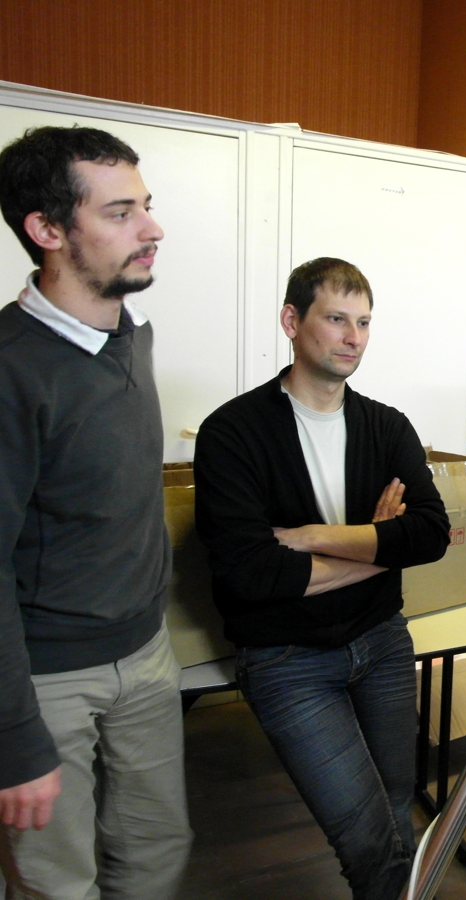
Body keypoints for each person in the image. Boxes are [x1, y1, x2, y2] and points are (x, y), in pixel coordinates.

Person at [193, 258, 450, 900]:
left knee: (396, 803)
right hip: (286, 659)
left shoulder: (386, 426)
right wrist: (378, 546)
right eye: (336, 319)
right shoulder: (232, 432)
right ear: (291, 321)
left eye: (363, 322)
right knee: (365, 836)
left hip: (381, 641)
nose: (353, 337)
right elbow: (250, 574)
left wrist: (310, 537)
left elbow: (430, 535)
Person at [0, 126, 192, 898]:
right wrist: (15, 739)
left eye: (145, 205)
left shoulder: (128, 338)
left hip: (145, 653)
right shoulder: (11, 370)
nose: (152, 228)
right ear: (48, 231)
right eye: (120, 213)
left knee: (155, 853)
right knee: (56, 883)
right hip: (47, 678)